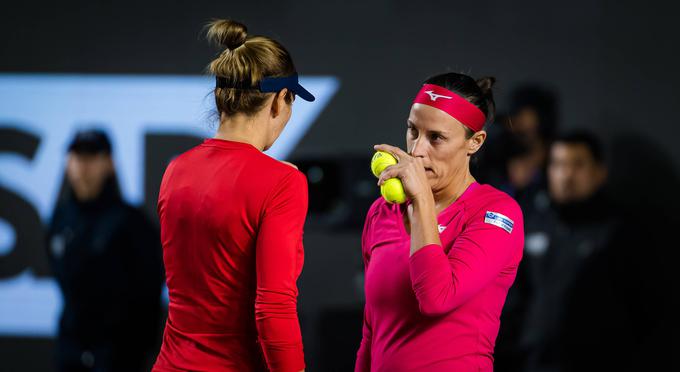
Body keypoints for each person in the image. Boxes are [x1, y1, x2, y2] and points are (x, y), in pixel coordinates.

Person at [152, 19, 315, 372]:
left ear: (218, 96)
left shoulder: (175, 169)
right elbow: (274, 309)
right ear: (279, 101)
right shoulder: (283, 182)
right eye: (291, 104)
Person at [355, 72, 525, 371]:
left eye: (436, 137)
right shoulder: (382, 211)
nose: (417, 150)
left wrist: (421, 200)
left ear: (475, 142)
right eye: (412, 131)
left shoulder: (496, 213)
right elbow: (372, 331)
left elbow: (436, 298)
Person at [497, 130, 675, 371]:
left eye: (577, 165)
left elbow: (649, 310)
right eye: (559, 164)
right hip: (531, 361)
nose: (567, 175)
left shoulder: (622, 232)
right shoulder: (530, 222)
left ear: (600, 172)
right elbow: (511, 296)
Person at [47, 129, 163, 372]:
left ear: (109, 163)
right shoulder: (59, 219)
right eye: (77, 157)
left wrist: (137, 348)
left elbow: (150, 290)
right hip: (70, 350)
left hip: (117, 355)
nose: (83, 166)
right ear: (68, 163)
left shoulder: (131, 223)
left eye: (92, 157)